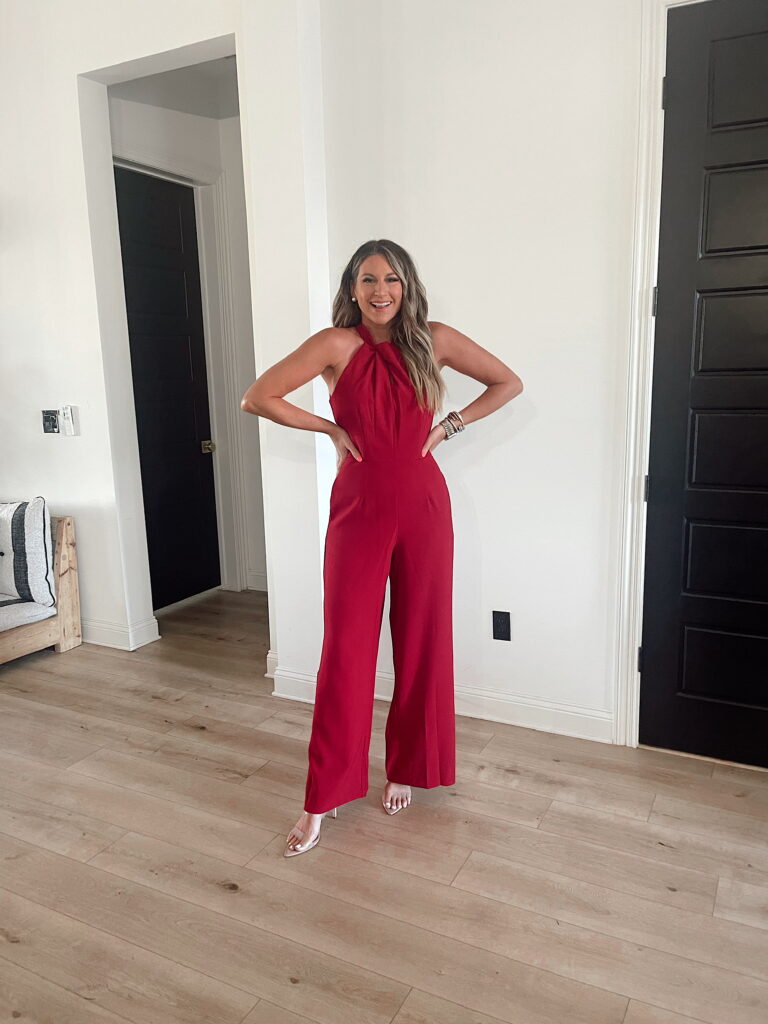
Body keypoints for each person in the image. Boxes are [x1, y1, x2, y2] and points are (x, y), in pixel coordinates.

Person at [241, 239, 523, 857]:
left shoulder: (434, 340)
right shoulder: (335, 345)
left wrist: (448, 427)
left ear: (407, 285)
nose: (380, 291)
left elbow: (508, 382)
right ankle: (322, 798)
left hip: (425, 507)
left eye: (391, 279)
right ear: (352, 288)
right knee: (346, 649)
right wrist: (330, 428)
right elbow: (258, 396)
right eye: (368, 279)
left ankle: (407, 768)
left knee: (422, 639)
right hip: (358, 509)